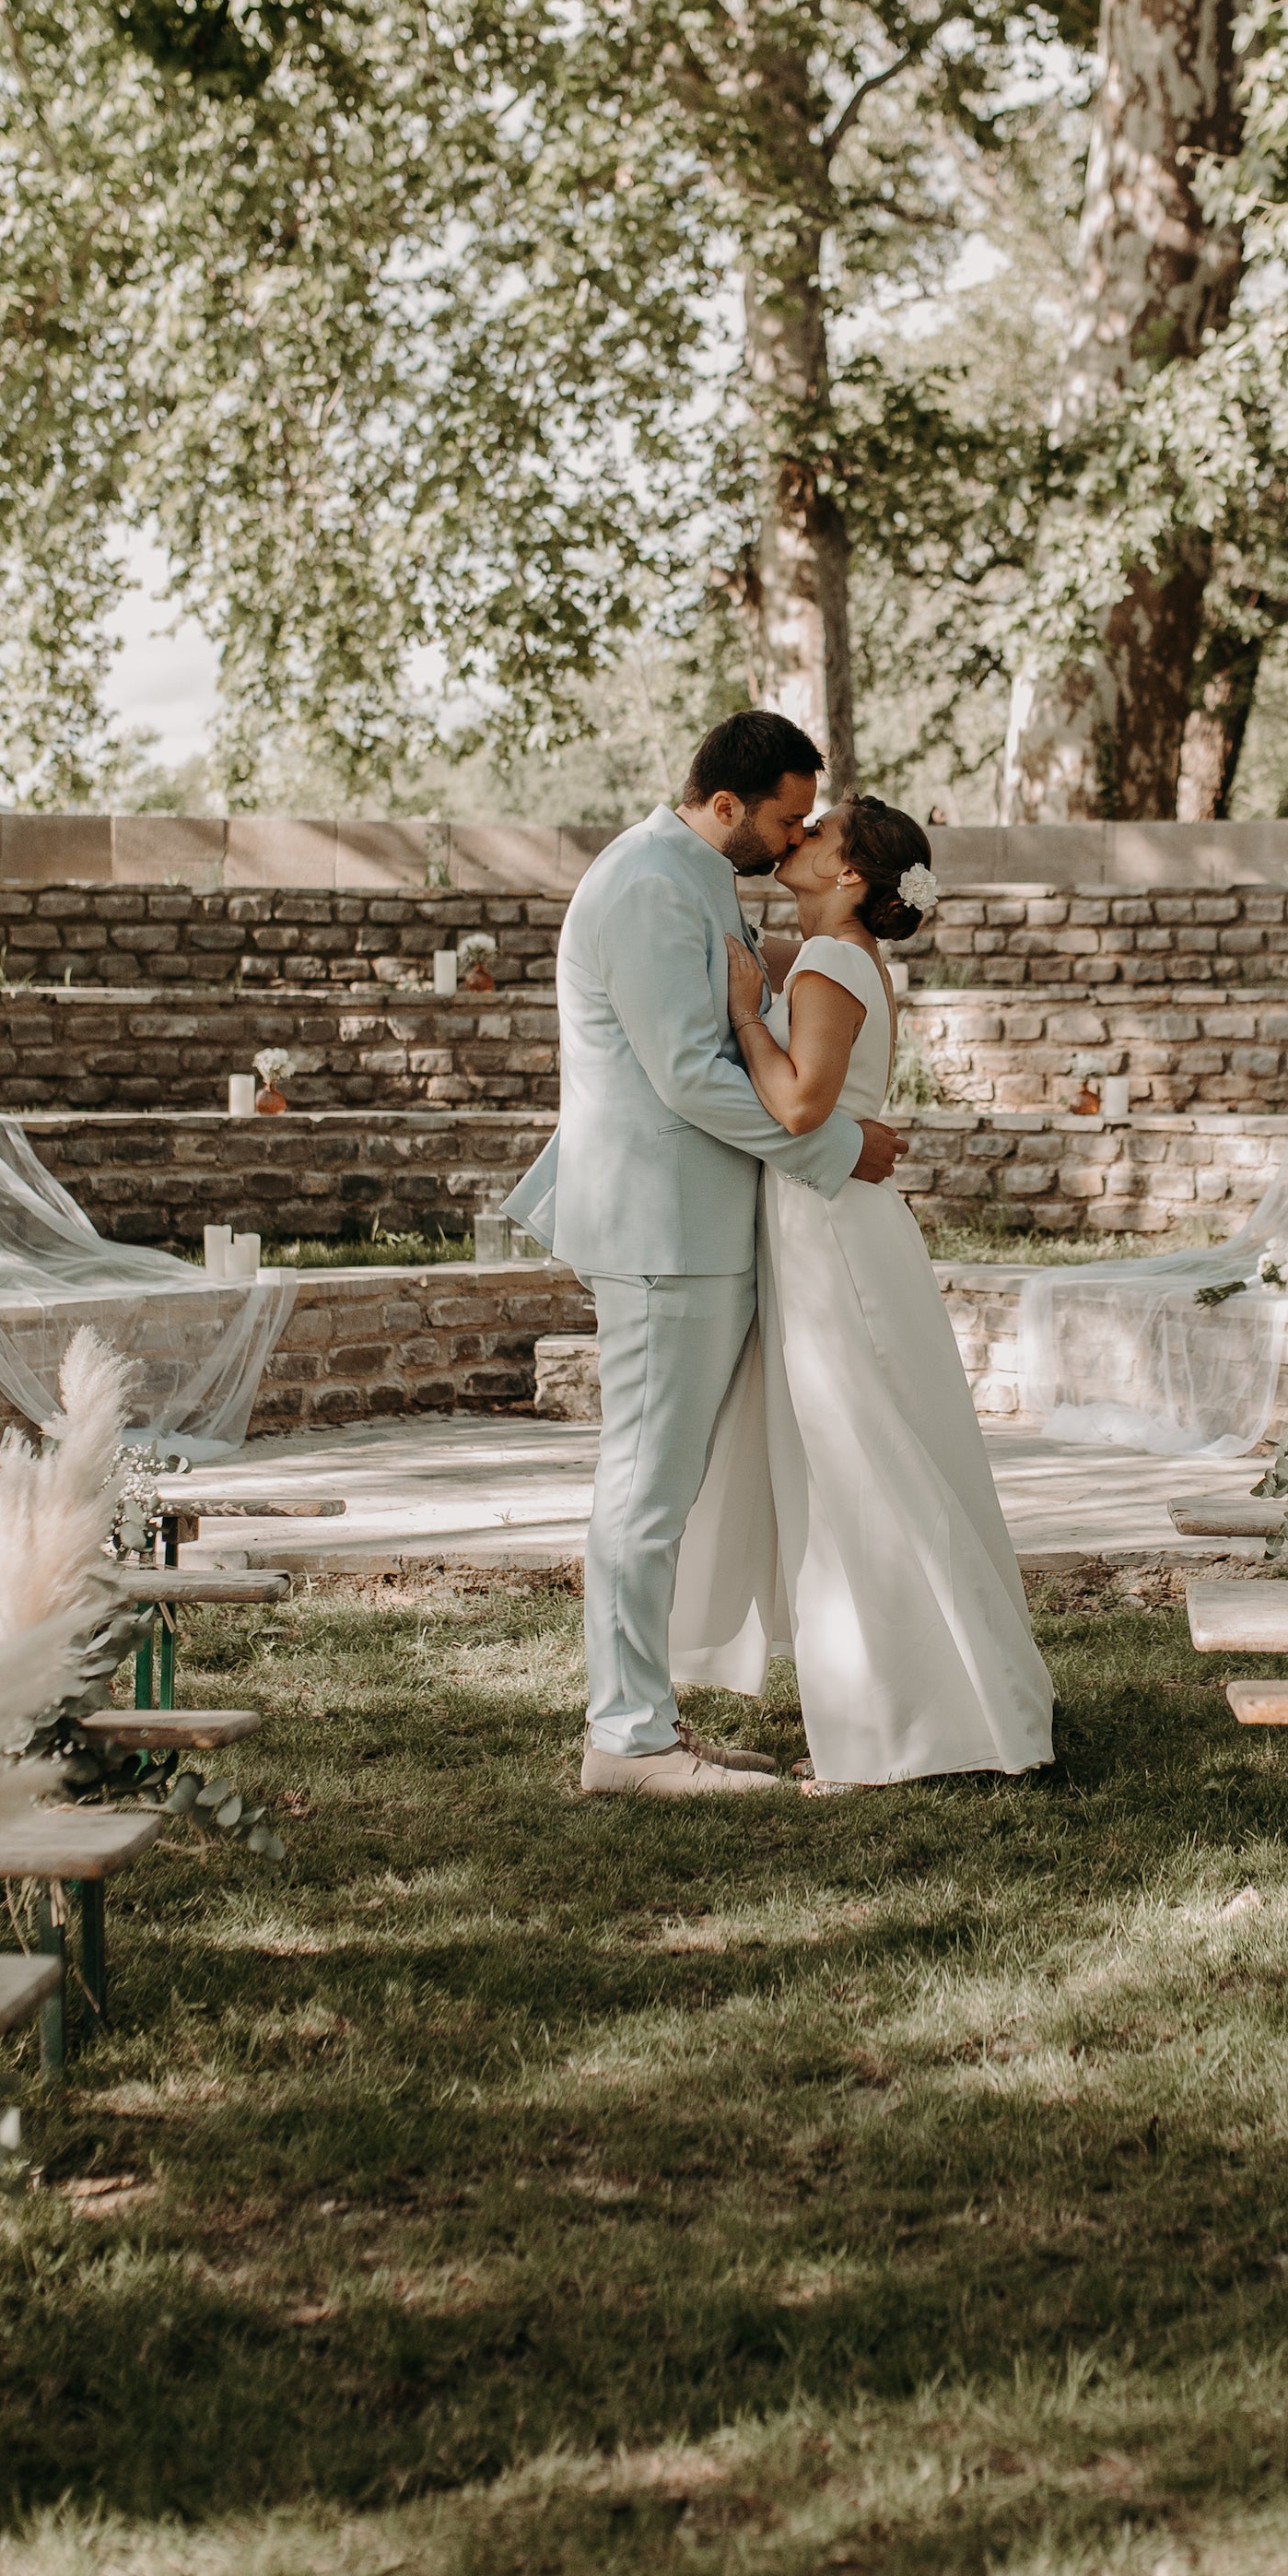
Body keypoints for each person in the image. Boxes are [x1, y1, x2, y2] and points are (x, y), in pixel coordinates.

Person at [545, 712, 903, 1796]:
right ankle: (627, 1740)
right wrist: (839, 1149)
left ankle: (646, 1717)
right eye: (787, 817)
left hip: (703, 1224)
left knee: (667, 1481)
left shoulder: (693, 869)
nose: (793, 838)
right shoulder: (652, 883)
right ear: (724, 805)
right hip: (661, 1227)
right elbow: (689, 1077)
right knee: (644, 1484)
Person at [669, 795, 1054, 1787]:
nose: (794, 840)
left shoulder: (832, 959)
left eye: (818, 834)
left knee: (863, 1463)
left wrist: (746, 1010)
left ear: (849, 878)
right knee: (862, 1462)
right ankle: (905, 1703)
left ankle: (913, 1721)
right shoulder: (841, 954)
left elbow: (800, 1106)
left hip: (831, 1228)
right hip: (827, 1220)